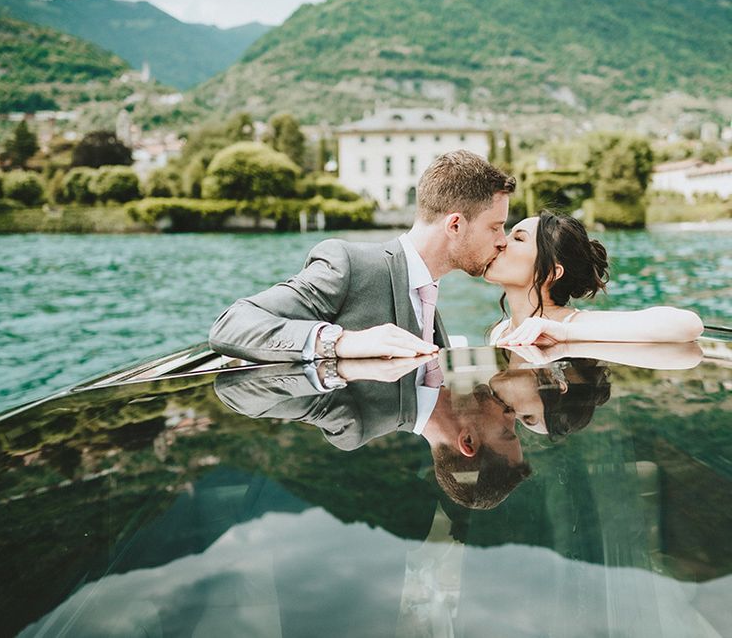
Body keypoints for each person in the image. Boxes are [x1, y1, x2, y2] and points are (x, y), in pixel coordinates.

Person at [209, 150, 515, 363]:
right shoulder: (348, 265)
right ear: (456, 225)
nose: (502, 241)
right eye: (496, 227)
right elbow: (231, 325)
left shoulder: (428, 289)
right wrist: (341, 342)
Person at [213, 355, 531, 509]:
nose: (511, 414)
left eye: (506, 432)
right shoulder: (448, 357)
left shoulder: (354, 420)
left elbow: (237, 390)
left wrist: (340, 351)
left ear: (468, 441)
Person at [484, 210, 704, 346]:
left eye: (519, 239)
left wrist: (567, 333)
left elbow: (688, 324)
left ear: (551, 272)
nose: (502, 241)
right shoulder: (500, 331)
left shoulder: (570, 324)